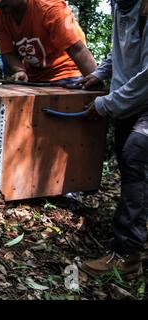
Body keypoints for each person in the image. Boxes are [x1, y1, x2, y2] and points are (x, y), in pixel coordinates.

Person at [78, 0, 148, 277]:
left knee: (134, 152)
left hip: (141, 101)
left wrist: (106, 104)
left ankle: (127, 253)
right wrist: (100, 73)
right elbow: (120, 53)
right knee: (131, 166)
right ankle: (137, 236)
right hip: (131, 102)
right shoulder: (122, 6)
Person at [0, 0, 97, 85]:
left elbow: (78, 51)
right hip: (33, 77)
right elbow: (7, 53)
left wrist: (96, 83)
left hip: (66, 73)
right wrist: (20, 71)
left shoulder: (50, 7)